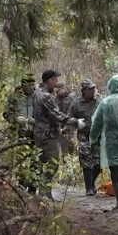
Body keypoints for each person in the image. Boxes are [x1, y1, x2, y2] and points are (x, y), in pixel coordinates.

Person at [33, 69, 86, 200]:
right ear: (50, 80)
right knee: (53, 162)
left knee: (39, 162)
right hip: (48, 135)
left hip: (38, 133)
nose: (56, 82)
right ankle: (44, 192)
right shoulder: (46, 96)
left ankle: (39, 191)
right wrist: (75, 122)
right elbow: (57, 115)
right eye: (55, 79)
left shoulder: (36, 93)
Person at [90, 75, 118, 209]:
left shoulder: (105, 102)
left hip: (112, 142)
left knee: (116, 171)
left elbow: (97, 123)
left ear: (110, 86)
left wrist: (93, 138)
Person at [3, 74, 38, 194]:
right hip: (20, 132)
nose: (29, 88)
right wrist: (16, 119)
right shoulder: (15, 97)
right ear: (22, 85)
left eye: (31, 85)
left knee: (36, 159)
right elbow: (6, 113)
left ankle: (33, 187)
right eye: (26, 86)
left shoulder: (39, 97)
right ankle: (22, 185)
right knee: (21, 159)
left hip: (36, 133)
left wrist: (36, 121)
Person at [69, 79, 102, 196]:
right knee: (86, 160)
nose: (93, 91)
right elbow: (69, 119)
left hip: (98, 135)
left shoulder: (100, 101)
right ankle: (89, 188)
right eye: (90, 89)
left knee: (99, 162)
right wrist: (72, 133)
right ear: (83, 90)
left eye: (94, 88)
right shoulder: (76, 103)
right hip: (84, 135)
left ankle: (92, 182)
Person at [55, 83, 77, 157]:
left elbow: (72, 112)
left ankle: (73, 159)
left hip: (71, 126)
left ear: (63, 89)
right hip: (60, 126)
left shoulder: (71, 97)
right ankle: (66, 161)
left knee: (72, 144)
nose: (57, 92)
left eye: (58, 90)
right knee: (63, 147)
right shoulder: (56, 98)